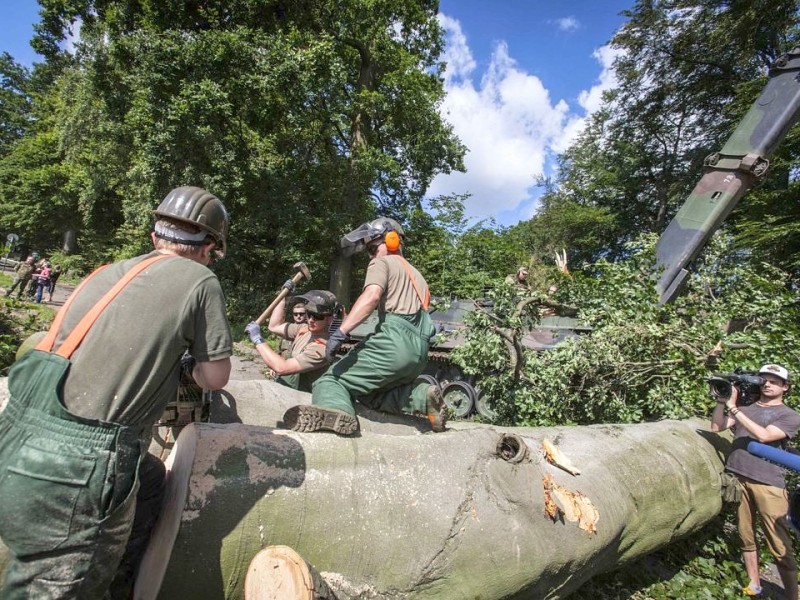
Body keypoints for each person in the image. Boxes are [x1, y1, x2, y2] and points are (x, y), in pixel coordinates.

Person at [0, 186, 232, 599]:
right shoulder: (200, 280)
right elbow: (215, 377)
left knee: (150, 479)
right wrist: (189, 368)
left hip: (15, 437)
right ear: (208, 246)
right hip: (79, 468)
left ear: (155, 235)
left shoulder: (107, 272)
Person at [282, 217, 446, 435]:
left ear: (392, 239)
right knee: (370, 394)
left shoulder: (382, 262)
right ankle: (423, 398)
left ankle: (335, 411)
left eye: (371, 248)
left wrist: (341, 331)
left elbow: (371, 297)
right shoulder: (419, 277)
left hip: (393, 343)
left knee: (330, 381)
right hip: (419, 353)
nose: (370, 255)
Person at [711, 363, 800, 599]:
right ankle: (754, 585)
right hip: (740, 475)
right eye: (764, 379)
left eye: (774, 381)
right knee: (745, 535)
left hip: (768, 483)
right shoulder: (747, 407)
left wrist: (735, 409)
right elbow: (717, 426)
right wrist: (723, 401)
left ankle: (793, 595)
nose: (768, 384)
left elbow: (765, 436)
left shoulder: (789, 415)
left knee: (779, 543)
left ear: (785, 387)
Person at [244, 290, 339, 392]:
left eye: (317, 316)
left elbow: (281, 368)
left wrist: (258, 340)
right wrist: (282, 298)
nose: (311, 320)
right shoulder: (304, 329)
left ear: (330, 319)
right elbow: (274, 326)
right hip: (289, 391)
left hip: (305, 399)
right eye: (309, 314)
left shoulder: (322, 347)